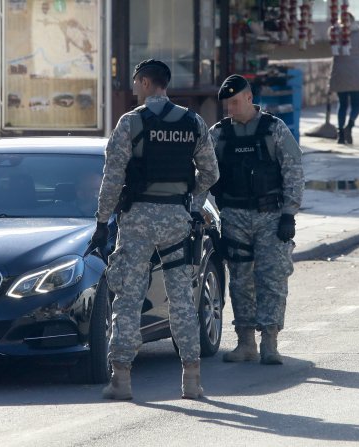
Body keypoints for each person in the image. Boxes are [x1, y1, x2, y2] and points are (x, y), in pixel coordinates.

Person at [92, 59, 219, 400]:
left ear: (147, 83)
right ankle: (192, 380)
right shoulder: (193, 122)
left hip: (136, 223)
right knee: (181, 300)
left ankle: (121, 379)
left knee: (129, 298)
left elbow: (112, 177)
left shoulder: (131, 123)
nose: (134, 88)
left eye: (136, 82)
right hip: (176, 221)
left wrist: (102, 222)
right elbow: (210, 174)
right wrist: (189, 202)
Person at [210, 74, 303, 366]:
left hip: (270, 215)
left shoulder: (274, 129)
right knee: (239, 279)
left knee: (272, 277)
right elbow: (204, 169)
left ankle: (270, 342)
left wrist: (289, 212)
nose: (231, 109)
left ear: (249, 99)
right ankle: (246, 342)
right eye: (227, 104)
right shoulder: (219, 133)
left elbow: (293, 170)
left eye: (235, 102)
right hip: (234, 215)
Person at [329, 13, 359, 145]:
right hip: (356, 73)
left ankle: (340, 134)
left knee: (342, 104)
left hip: (339, 72)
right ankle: (350, 126)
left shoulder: (334, 33)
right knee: (357, 104)